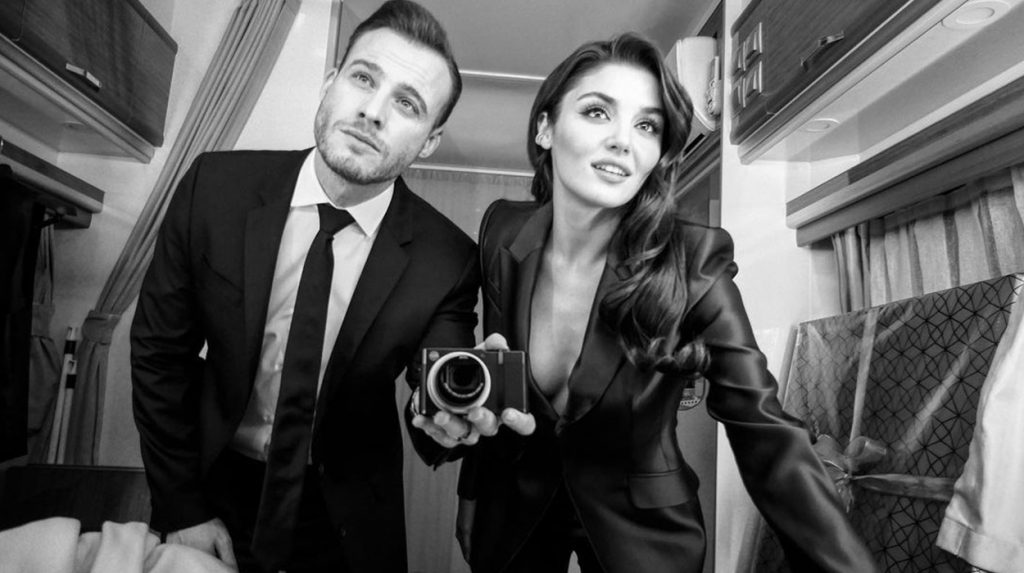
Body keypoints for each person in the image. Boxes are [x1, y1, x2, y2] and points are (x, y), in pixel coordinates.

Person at [414, 34, 879, 572]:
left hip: (641, 526)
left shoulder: (694, 260)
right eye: (597, 112)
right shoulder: (501, 230)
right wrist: (471, 476)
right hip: (515, 510)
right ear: (545, 128)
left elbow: (764, 427)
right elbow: (496, 375)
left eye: (646, 126)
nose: (622, 141)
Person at [130, 2, 478, 572]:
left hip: (346, 518)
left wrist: (450, 420)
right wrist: (182, 505)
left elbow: (436, 388)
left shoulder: (449, 259)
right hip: (212, 485)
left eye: (407, 104)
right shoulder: (214, 189)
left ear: (430, 141)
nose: (372, 112)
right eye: (363, 78)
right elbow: (159, 353)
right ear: (330, 82)